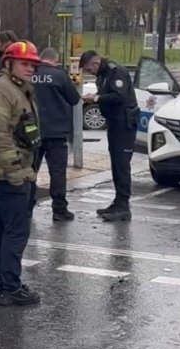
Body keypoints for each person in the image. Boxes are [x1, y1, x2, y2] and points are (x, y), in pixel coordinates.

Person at [0, 41, 44, 306]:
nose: (30, 68)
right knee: (15, 231)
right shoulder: (0, 90)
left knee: (0, 228)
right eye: (25, 63)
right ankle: (11, 286)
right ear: (8, 64)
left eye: (33, 64)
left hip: (11, 171)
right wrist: (15, 171)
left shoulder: (17, 89)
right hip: (7, 173)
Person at [79, 50, 138, 221]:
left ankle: (123, 206)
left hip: (124, 124)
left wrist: (96, 99)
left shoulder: (116, 72)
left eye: (89, 69)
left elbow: (118, 96)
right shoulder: (103, 75)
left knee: (122, 165)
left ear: (96, 63)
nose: (89, 73)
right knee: (116, 164)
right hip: (114, 123)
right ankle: (118, 202)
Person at [31, 47, 80, 221]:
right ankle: (59, 209)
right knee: (57, 172)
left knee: (30, 170)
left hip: (32, 131)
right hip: (57, 131)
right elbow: (74, 99)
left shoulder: (30, 73)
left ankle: (27, 205)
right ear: (55, 59)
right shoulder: (60, 75)